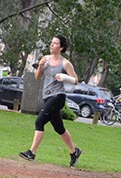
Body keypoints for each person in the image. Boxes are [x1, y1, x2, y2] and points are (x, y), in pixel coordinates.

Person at [19, 34, 83, 168]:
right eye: (51, 43)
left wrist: (64, 76)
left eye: (55, 43)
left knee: (39, 121)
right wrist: (41, 67)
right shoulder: (45, 59)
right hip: (47, 96)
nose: (51, 45)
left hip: (58, 96)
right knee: (59, 128)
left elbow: (75, 80)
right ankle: (74, 151)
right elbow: (37, 77)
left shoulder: (65, 63)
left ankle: (32, 152)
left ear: (61, 47)